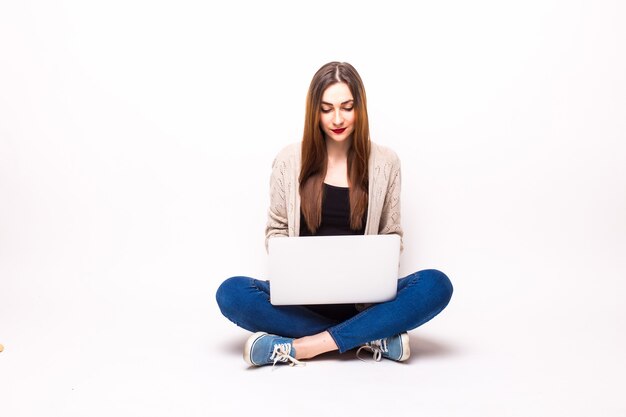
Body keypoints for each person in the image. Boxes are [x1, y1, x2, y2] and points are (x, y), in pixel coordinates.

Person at [216, 61, 453, 367]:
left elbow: (392, 234)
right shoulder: (289, 160)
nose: (337, 118)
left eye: (347, 107)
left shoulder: (385, 162)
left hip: (364, 304)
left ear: (360, 109)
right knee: (232, 293)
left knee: (436, 284)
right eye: (326, 108)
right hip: (302, 303)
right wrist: (294, 265)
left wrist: (373, 269)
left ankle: (303, 348)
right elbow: (276, 231)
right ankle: (369, 338)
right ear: (314, 111)